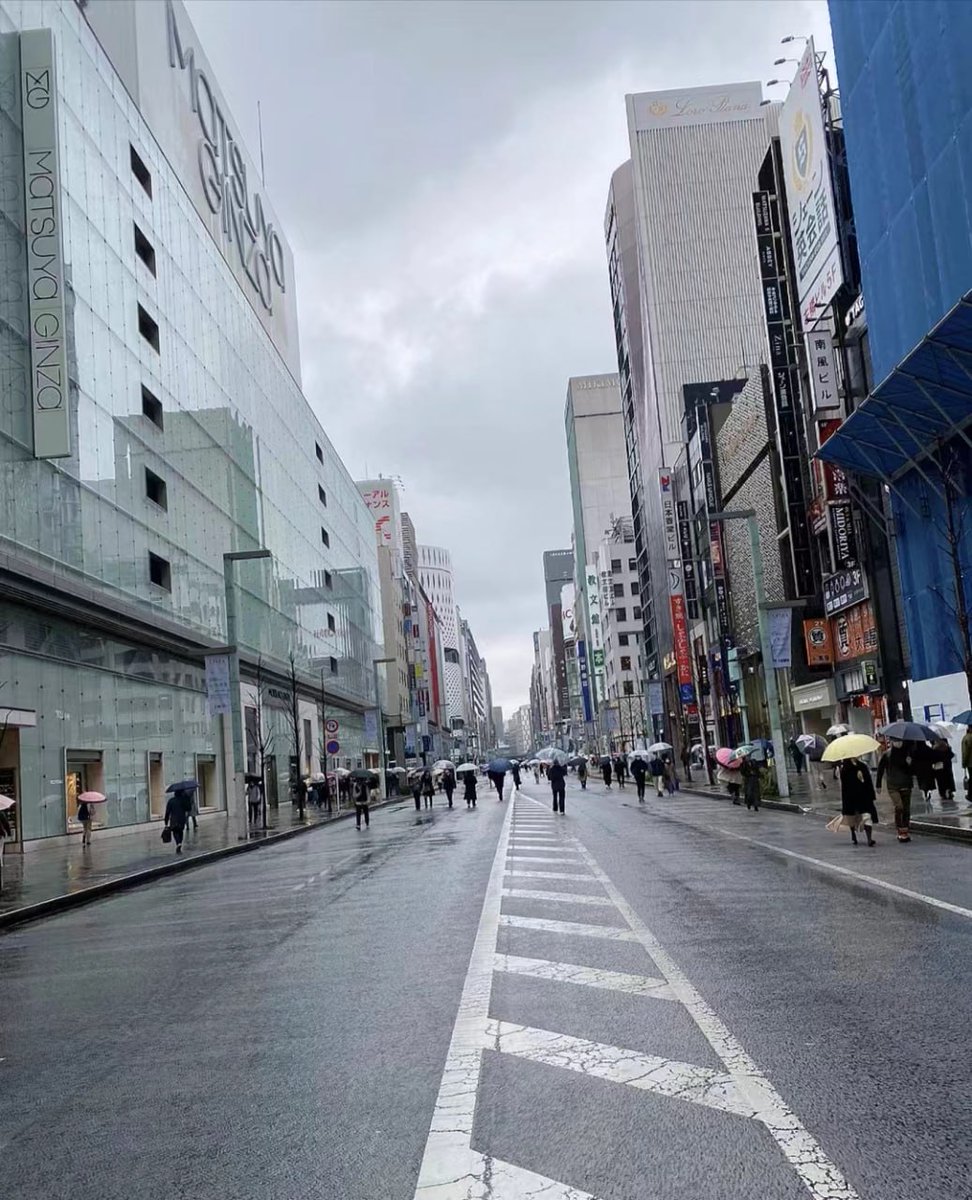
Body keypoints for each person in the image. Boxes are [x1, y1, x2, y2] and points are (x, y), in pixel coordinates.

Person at [876, 740, 915, 842]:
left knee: (906, 809)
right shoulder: (887, 754)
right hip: (893, 785)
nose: (898, 743)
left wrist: (910, 764)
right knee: (899, 806)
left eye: (900, 741)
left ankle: (905, 830)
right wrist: (878, 784)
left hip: (906, 784)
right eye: (895, 741)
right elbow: (880, 769)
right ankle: (899, 828)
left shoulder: (908, 754)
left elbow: (912, 772)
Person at [837, 756, 877, 846]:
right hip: (851, 797)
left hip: (864, 796)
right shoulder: (845, 769)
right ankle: (853, 834)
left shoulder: (862, 766)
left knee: (867, 816)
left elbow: (868, 782)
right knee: (852, 817)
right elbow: (845, 785)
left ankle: (869, 839)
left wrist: (871, 795)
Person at [163, 789, 190, 853]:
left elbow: (167, 812)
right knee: (180, 831)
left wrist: (166, 822)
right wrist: (187, 798)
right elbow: (188, 808)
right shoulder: (183, 800)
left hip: (174, 819)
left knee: (175, 831)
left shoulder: (171, 801)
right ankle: (180, 842)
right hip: (182, 818)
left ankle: (178, 843)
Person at [932, 738, 956, 805]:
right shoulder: (947, 747)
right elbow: (952, 755)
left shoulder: (935, 748)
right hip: (947, 766)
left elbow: (933, 758)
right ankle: (950, 791)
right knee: (948, 779)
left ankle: (943, 794)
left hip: (939, 766)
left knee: (940, 781)